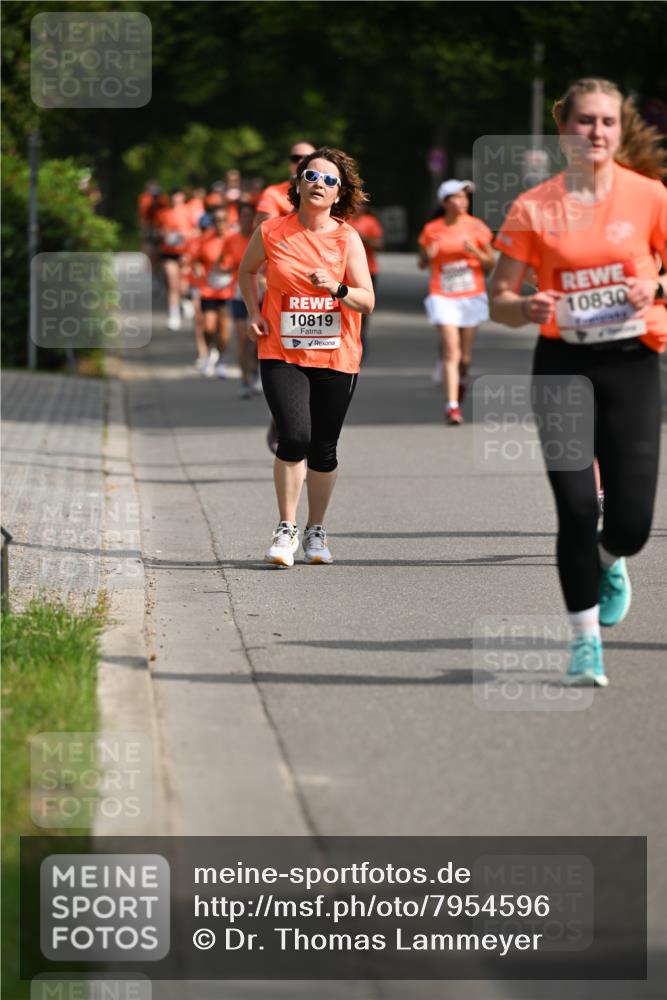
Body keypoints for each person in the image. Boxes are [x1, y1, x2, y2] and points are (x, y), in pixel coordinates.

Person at [490, 77, 667, 687]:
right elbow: (499, 299)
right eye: (585, 121)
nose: (596, 132)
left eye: (608, 122)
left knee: (631, 525)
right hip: (563, 367)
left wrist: (658, 287)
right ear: (565, 129)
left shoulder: (650, 197)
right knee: (572, 508)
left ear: (621, 130)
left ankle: (609, 559)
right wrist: (525, 308)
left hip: (632, 364)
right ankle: (584, 641)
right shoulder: (533, 206)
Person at [239, 147, 375, 567]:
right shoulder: (271, 232)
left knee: (324, 448)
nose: (319, 184)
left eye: (329, 180)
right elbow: (247, 271)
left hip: (337, 356)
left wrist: (336, 287)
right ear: (297, 185)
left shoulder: (346, 237)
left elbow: (367, 300)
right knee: (293, 435)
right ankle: (286, 528)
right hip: (281, 350)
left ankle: (316, 529)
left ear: (339, 194)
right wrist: (253, 312)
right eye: (312, 176)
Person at [418, 180, 495, 424]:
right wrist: (428, 257)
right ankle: (452, 406)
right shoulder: (432, 229)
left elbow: (491, 263)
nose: (462, 202)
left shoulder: (477, 227)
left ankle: (461, 380)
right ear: (445, 202)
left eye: (465, 198)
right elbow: (422, 263)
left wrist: (477, 252)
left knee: (464, 357)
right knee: (452, 351)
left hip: (471, 295)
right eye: (457, 197)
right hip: (443, 295)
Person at [256, 141, 316, 451]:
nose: (302, 161)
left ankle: (291, 419)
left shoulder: (326, 188)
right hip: (278, 286)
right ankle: (285, 417)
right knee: (285, 354)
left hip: (318, 290)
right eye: (296, 158)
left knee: (311, 356)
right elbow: (263, 229)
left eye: (309, 157)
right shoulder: (273, 194)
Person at [221, 202, 262, 398]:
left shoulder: (262, 236)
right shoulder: (231, 240)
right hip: (238, 293)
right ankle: (245, 380)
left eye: (249, 216)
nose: (246, 220)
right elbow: (224, 262)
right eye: (242, 216)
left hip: (261, 293)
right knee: (243, 340)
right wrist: (223, 268)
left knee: (258, 340)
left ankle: (256, 372)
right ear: (238, 219)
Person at [188, 205, 233, 377]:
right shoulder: (205, 239)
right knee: (208, 327)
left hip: (228, 290)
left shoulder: (233, 239)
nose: (220, 224)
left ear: (227, 222)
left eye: (223, 220)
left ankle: (222, 360)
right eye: (216, 221)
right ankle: (208, 354)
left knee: (223, 328)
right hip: (208, 289)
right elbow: (195, 259)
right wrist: (197, 267)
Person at [154, 187, 194, 331]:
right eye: (173, 196)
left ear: (182, 197)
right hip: (168, 252)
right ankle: (174, 314)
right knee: (172, 284)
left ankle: (185, 300)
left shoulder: (188, 211)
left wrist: (185, 235)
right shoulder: (163, 213)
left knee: (183, 286)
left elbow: (197, 231)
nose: (175, 199)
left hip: (185, 253)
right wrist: (164, 235)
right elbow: (158, 231)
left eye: (178, 195)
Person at [351, 207, 384, 359]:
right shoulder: (342, 219)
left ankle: (361, 338)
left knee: (364, 309)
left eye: (361, 204)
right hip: (347, 271)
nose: (358, 207)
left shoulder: (370, 222)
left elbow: (379, 244)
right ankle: (349, 338)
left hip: (368, 270)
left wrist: (363, 239)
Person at [255, 141, 316, 223]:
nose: (300, 162)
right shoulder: (272, 193)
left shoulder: (325, 190)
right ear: (289, 163)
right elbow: (269, 231)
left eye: (306, 158)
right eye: (295, 158)